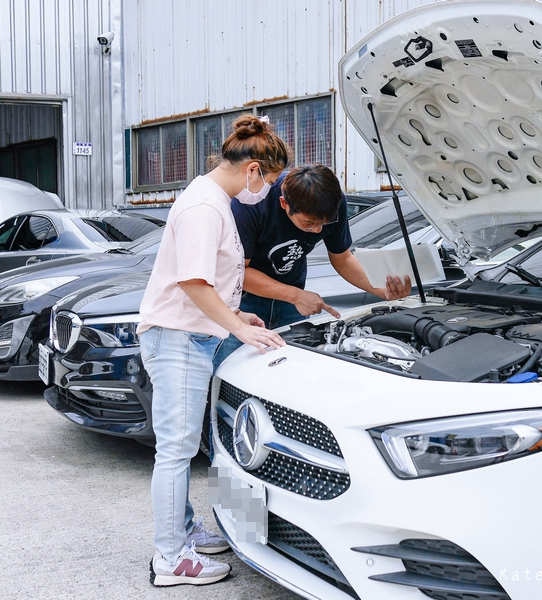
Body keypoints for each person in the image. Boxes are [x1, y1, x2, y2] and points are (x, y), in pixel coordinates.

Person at [139, 114, 288, 586]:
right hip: (179, 337)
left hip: (189, 334)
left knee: (180, 446)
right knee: (176, 450)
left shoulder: (212, 198)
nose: (267, 191)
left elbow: (206, 285)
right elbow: (192, 282)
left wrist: (234, 316)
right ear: (253, 171)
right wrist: (237, 329)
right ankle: (170, 559)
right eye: (270, 180)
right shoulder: (204, 206)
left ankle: (182, 532)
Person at [213, 164, 411, 365]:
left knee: (288, 367)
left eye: (324, 223)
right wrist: (297, 296)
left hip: (291, 301)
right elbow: (238, 273)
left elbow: (342, 258)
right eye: (308, 223)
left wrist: (380, 290)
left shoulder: (333, 202)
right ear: (284, 204)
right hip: (244, 302)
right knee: (230, 365)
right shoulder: (253, 202)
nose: (317, 231)